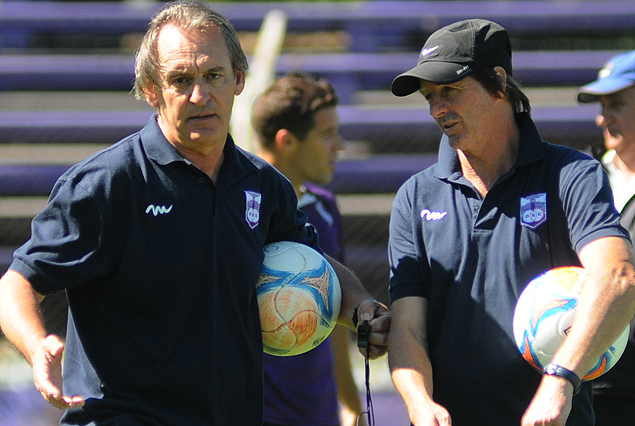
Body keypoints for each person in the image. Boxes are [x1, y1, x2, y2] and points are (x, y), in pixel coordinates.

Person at [0, 2, 391, 425]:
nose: (200, 95)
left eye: (214, 76)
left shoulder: (264, 185)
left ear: (239, 80)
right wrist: (38, 346)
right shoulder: (106, 183)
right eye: (180, 80)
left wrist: (361, 308)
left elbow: (315, 263)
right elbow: (15, 286)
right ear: (151, 88)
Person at [386, 18, 635, 426]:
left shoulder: (571, 174)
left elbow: (619, 278)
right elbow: (408, 328)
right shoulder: (416, 196)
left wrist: (559, 382)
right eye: (429, 96)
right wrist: (419, 402)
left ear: (499, 83)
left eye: (450, 90)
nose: (437, 109)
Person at [252, 72, 365, 426]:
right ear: (286, 141)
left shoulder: (325, 208)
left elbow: (333, 315)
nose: (340, 145)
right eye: (327, 134)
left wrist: (350, 403)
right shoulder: (234, 210)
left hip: (317, 415)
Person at [577, 50, 635, 426]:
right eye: (601, 105)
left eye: (616, 103)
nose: (603, 117)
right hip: (588, 380)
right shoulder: (581, 179)